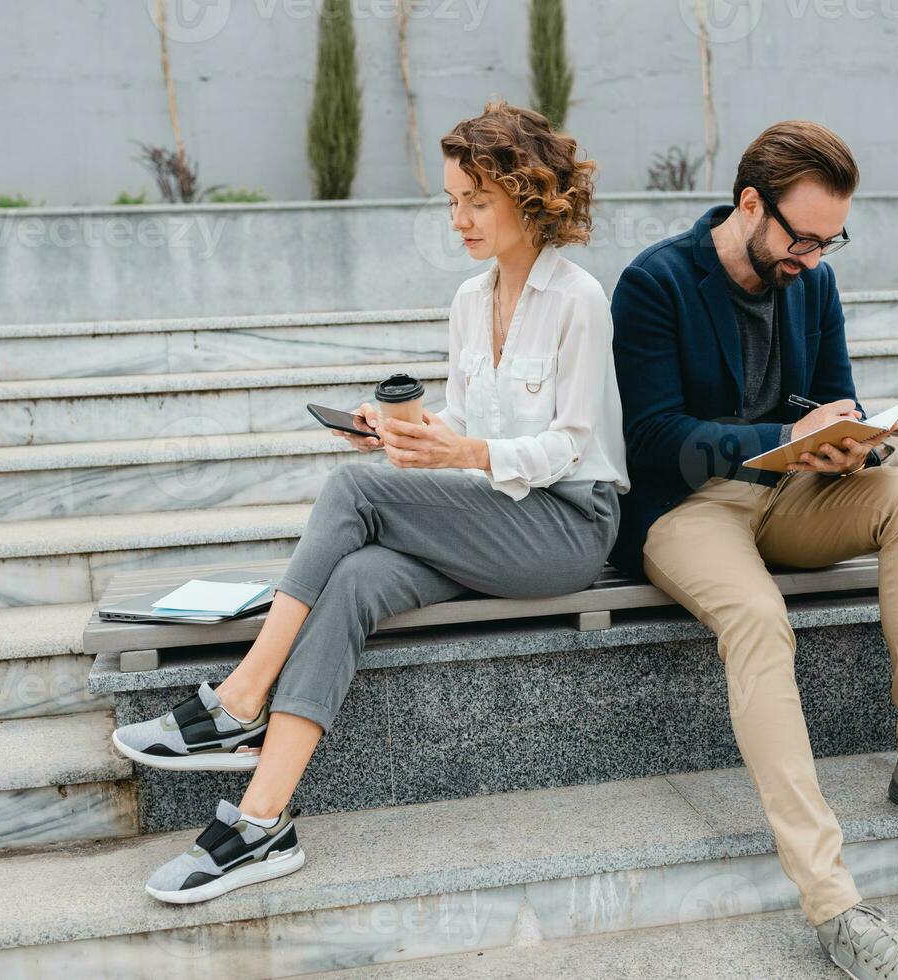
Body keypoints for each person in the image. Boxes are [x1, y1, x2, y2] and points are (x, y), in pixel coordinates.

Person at [112, 100, 629, 904]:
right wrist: (405, 431)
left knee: (357, 493)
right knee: (356, 580)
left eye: (476, 201)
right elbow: (465, 421)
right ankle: (261, 822)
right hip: (490, 516)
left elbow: (569, 441)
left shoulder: (579, 299)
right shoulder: (469, 300)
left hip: (567, 526)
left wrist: (457, 452)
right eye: (452, 200)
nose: (458, 218)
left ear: (531, 197)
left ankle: (240, 697)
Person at [608, 120, 898, 980]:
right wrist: (780, 434)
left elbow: (839, 399)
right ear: (750, 203)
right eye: (803, 238)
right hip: (690, 508)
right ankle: (835, 909)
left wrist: (849, 444)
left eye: (832, 240)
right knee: (756, 616)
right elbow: (651, 438)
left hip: (792, 492)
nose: (816, 259)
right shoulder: (655, 282)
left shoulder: (811, 281)